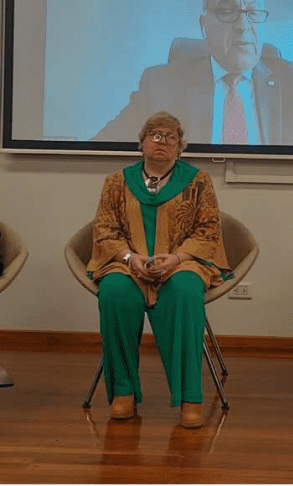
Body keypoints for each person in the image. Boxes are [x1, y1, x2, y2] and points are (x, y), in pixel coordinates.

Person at [93, 0, 293, 147]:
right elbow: (102, 150)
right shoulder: (160, 85)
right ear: (204, 25)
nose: (243, 26)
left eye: (253, 13)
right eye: (226, 11)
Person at [87, 112, 230, 428]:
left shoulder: (198, 181)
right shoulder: (116, 181)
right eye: (155, 135)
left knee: (185, 292)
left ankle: (190, 398)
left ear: (179, 147)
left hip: (183, 262)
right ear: (141, 142)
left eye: (170, 137)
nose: (162, 141)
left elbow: (208, 229)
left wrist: (176, 259)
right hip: (127, 263)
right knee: (114, 293)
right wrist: (130, 258)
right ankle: (123, 391)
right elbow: (105, 230)